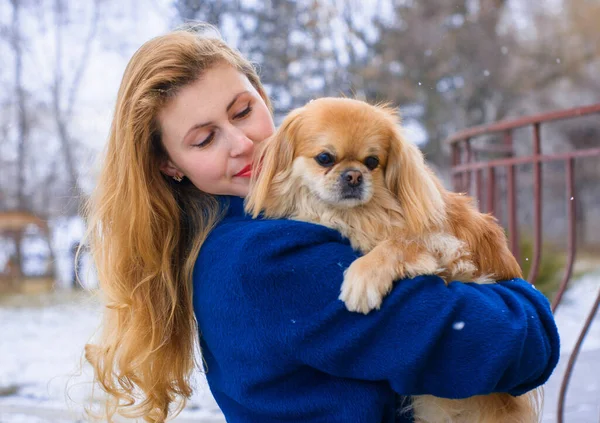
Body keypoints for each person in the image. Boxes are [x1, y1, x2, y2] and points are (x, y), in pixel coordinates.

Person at [84, 24, 560, 423]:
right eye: (205, 138)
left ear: (263, 97)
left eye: (244, 111)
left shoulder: (222, 237)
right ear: (170, 166)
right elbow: (512, 346)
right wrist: (524, 300)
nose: (243, 144)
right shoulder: (267, 259)